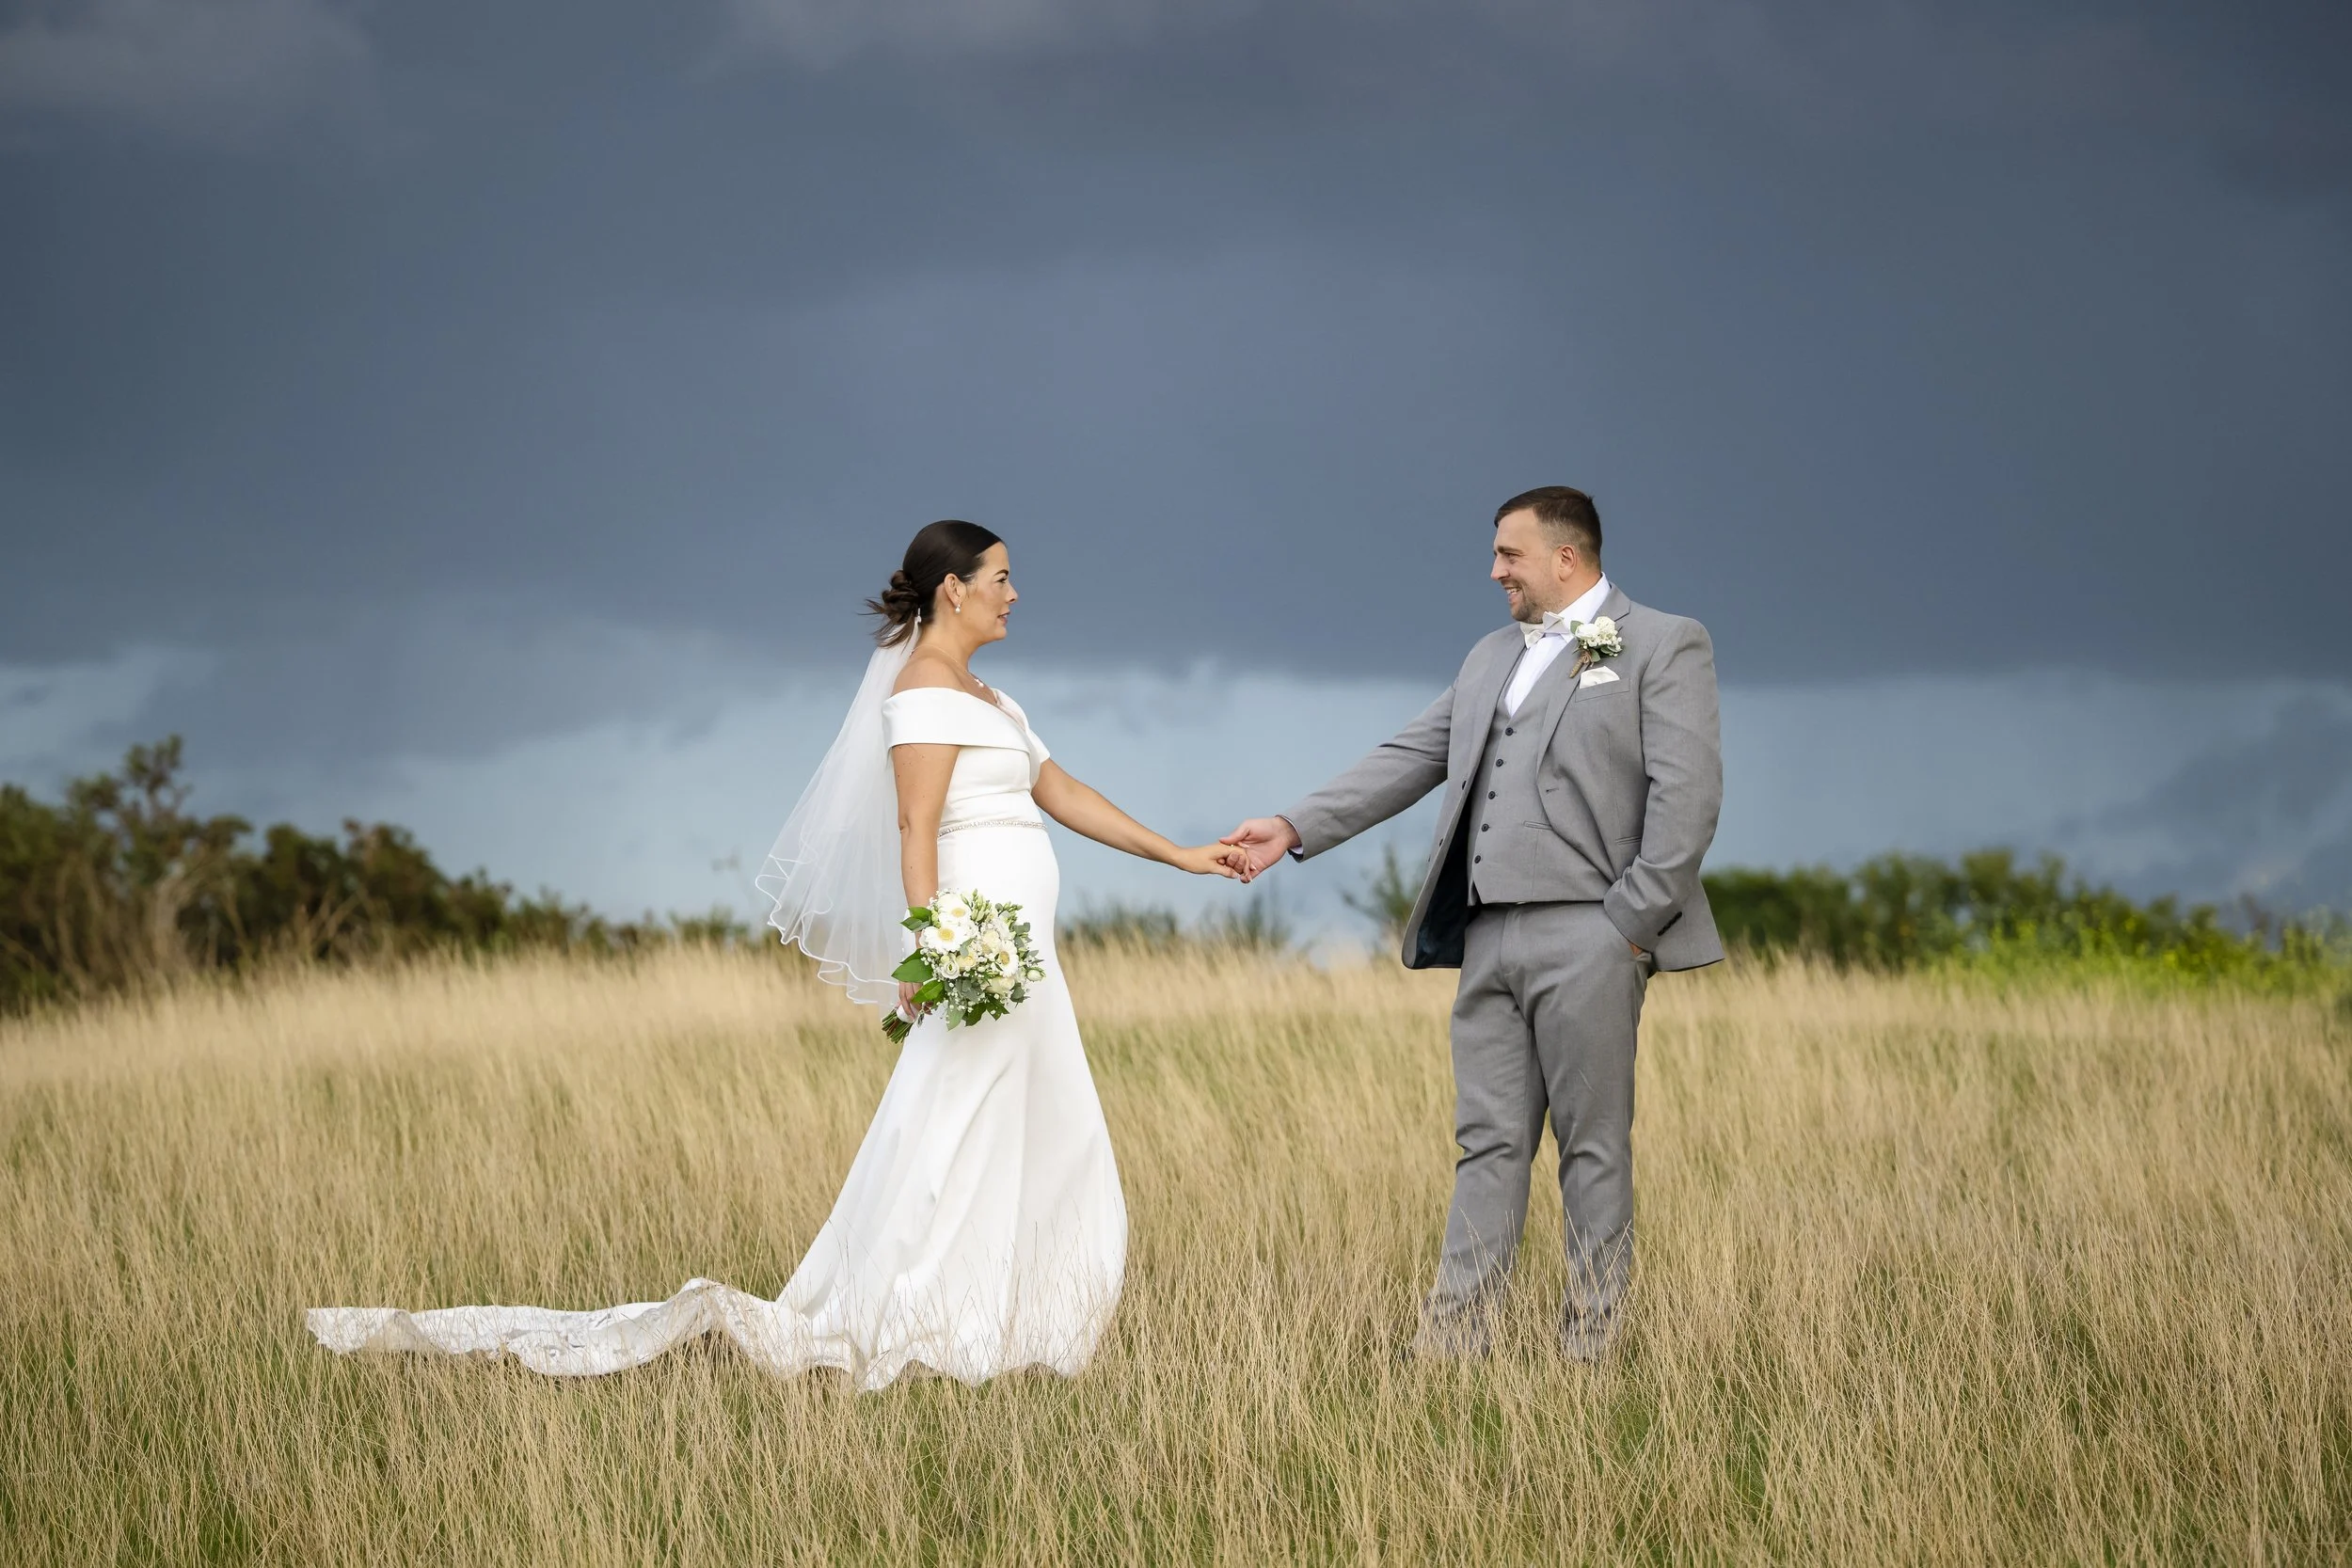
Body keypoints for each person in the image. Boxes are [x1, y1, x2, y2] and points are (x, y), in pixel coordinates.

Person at [308, 519, 1236, 1388]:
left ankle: (1017, 1320)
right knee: (953, 1124)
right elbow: (916, 825)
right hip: (979, 947)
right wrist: (936, 947)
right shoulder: (922, 692)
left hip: (1029, 955)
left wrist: (1182, 853)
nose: (1014, 593)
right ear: (952, 590)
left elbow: (1060, 789)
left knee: (1037, 1125)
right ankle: (921, 1317)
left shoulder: (994, 698)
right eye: (1000, 578)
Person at [1218, 486, 1723, 1360]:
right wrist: (1294, 826)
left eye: (1509, 555)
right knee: (1486, 1142)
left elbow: (1691, 795)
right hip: (1486, 936)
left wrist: (1630, 925)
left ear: (1567, 558)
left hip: (1594, 935)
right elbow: (1412, 755)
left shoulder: (1663, 642)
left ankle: (1590, 1352)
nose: (1495, 571)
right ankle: (1451, 1349)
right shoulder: (1492, 654)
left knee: (1591, 1148)